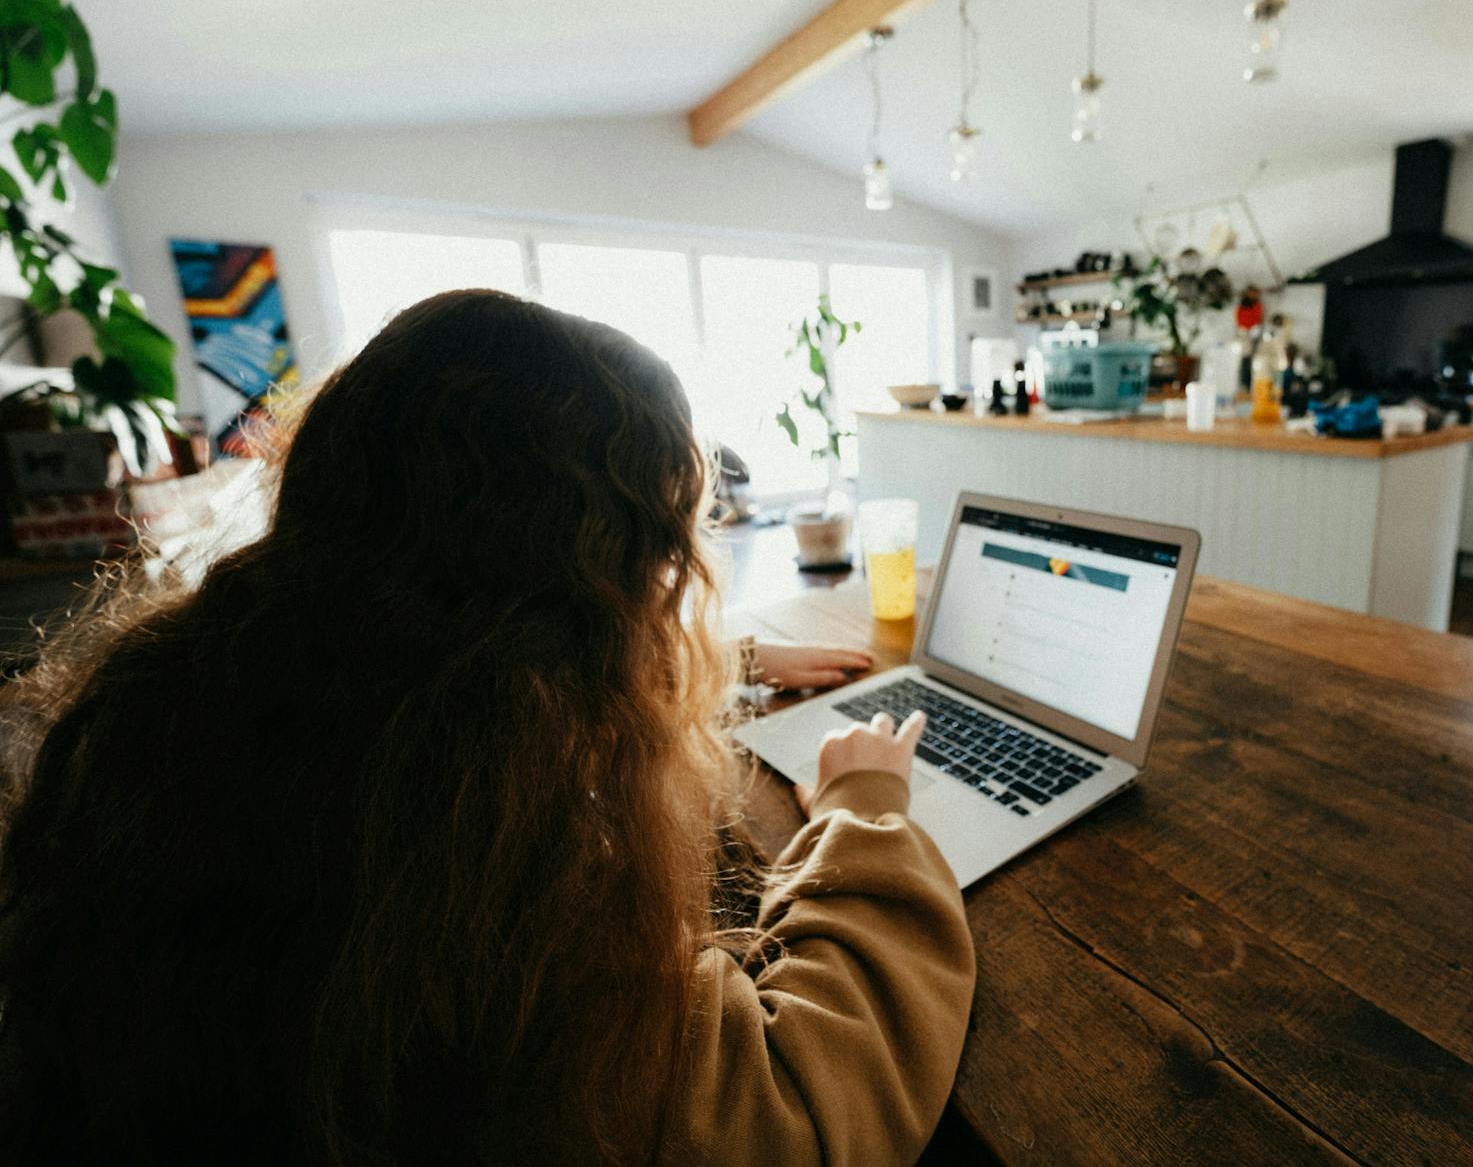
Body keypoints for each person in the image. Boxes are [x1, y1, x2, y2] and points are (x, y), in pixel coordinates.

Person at [0, 290, 974, 1165]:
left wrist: (725, 664)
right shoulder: (498, 860)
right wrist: (865, 808)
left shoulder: (182, 700)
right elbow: (792, 1111)